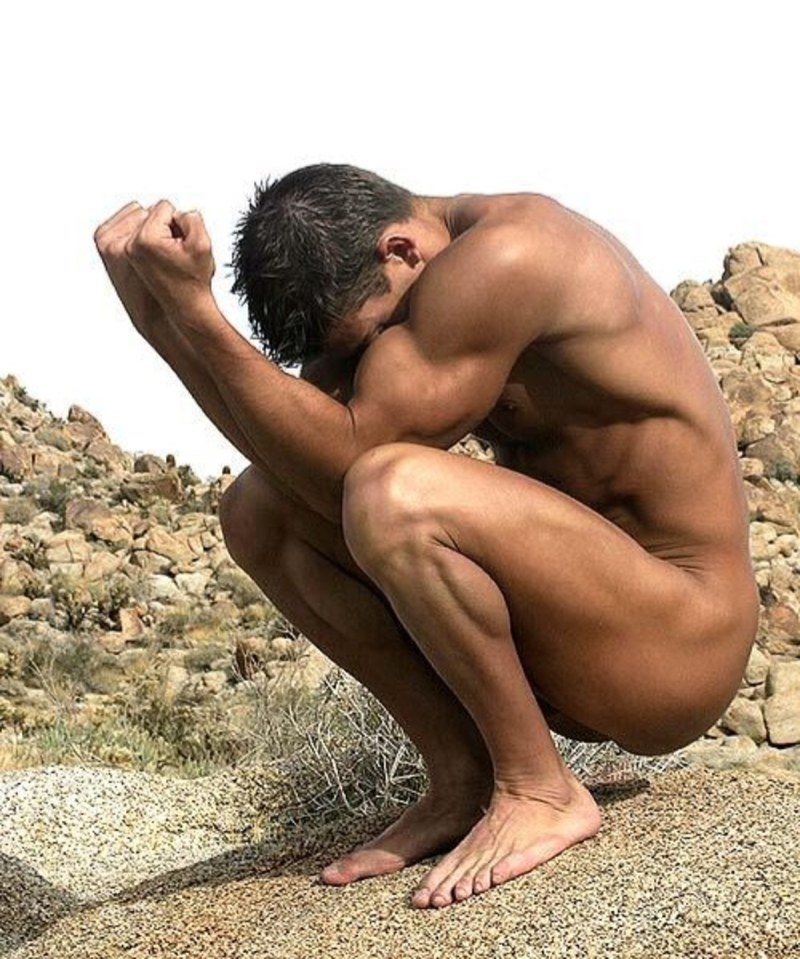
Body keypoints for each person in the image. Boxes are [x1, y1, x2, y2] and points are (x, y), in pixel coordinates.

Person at [93, 164, 759, 909]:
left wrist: (194, 315)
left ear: (401, 249)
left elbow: (352, 466)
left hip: (678, 643)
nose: (379, 359)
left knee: (394, 493)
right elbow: (296, 463)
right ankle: (462, 777)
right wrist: (165, 319)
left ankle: (539, 788)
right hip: (573, 627)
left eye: (376, 334)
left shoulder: (513, 253)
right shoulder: (406, 280)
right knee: (257, 508)